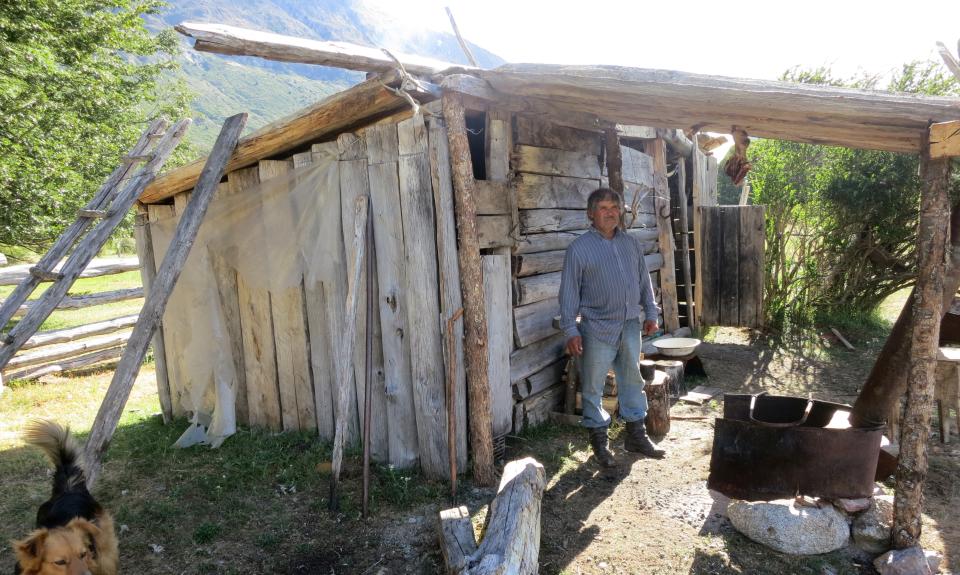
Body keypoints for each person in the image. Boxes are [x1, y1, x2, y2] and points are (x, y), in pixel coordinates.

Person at [559, 187, 666, 467]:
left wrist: (651, 312)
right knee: (593, 387)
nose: (610, 213)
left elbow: (644, 282)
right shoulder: (579, 249)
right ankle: (600, 445)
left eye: (614, 207)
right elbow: (568, 293)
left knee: (632, 380)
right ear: (590, 213)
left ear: (621, 211)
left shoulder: (630, 244)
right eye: (603, 208)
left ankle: (636, 436)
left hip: (630, 325)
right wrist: (571, 330)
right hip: (596, 327)